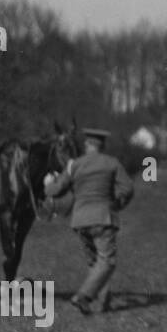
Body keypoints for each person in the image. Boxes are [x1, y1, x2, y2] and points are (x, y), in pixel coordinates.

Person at [45, 128, 135, 315]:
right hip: (103, 218)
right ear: (102, 146)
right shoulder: (112, 163)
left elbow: (56, 190)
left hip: (79, 221)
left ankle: (102, 303)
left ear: (87, 145)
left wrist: (47, 185)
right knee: (107, 261)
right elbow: (127, 188)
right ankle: (83, 296)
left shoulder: (74, 165)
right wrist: (117, 203)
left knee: (95, 262)